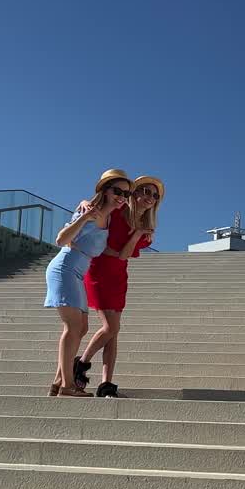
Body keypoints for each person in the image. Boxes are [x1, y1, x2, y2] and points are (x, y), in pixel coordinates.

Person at [43, 168, 131, 397]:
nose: (122, 196)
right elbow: (61, 239)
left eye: (126, 193)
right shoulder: (89, 211)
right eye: (117, 190)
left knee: (81, 327)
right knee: (73, 327)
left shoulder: (110, 217)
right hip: (65, 269)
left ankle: (58, 381)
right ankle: (67, 387)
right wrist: (83, 216)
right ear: (104, 190)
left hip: (78, 273)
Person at [74, 175, 162, 398]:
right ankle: (81, 364)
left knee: (113, 334)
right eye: (144, 191)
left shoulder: (145, 230)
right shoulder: (117, 212)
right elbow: (97, 204)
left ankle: (106, 385)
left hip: (118, 277)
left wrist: (139, 233)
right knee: (110, 327)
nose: (149, 197)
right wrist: (85, 202)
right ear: (134, 193)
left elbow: (123, 255)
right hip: (98, 273)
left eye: (154, 195)